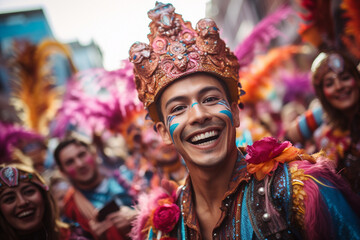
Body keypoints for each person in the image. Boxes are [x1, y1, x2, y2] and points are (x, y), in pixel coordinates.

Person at [128, 2, 360, 240]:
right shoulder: (161, 229)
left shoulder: (299, 190)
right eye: (178, 108)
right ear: (164, 131)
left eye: (209, 98)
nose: (199, 115)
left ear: (235, 112)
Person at [53, 138, 137, 240]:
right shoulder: (71, 210)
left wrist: (136, 216)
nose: (80, 164)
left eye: (82, 155)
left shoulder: (129, 177)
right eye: (70, 162)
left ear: (94, 154)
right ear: (63, 171)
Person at [0, 160, 92, 240]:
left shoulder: (76, 236)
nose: (22, 202)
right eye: (9, 199)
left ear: (44, 196)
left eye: (28, 192)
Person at [310, 51, 360, 194]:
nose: (339, 86)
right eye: (330, 83)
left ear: (357, 80)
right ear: (322, 94)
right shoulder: (324, 138)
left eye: (344, 78)